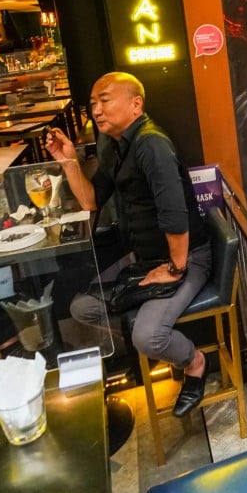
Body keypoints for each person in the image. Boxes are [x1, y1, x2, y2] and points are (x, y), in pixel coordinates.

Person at [45, 72, 212, 418]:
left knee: (148, 338)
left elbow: (175, 215)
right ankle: (148, 332)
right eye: (93, 103)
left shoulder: (152, 144)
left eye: (105, 100)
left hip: (188, 257)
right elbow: (92, 200)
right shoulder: (113, 145)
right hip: (144, 260)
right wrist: (68, 161)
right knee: (81, 308)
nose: (96, 110)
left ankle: (194, 362)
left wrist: (174, 269)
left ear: (136, 104)